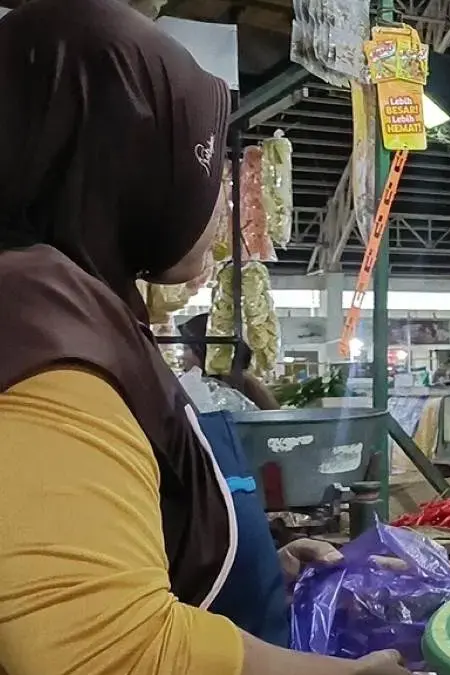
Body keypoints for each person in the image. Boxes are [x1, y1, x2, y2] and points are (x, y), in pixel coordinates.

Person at [0, 1, 407, 673]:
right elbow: (106, 649)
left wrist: (246, 568)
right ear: (120, 159)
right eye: (198, 151)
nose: (220, 192)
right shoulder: (40, 334)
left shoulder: (74, 305)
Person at [179, 312, 281, 410]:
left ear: (204, 352)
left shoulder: (216, 396)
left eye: (186, 348)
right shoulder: (246, 384)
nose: (182, 357)